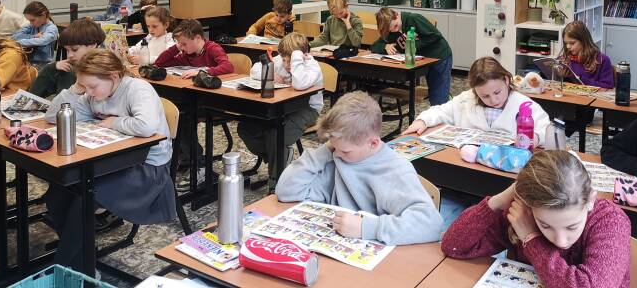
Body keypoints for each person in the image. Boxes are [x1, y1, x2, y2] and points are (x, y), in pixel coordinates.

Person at [44, 50, 176, 273]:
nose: (89, 92)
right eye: (84, 86)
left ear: (114, 76)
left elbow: (146, 126)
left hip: (147, 169)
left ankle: (64, 268)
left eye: (92, 86)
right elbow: (52, 116)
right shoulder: (93, 94)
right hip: (109, 163)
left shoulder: (137, 89)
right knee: (57, 195)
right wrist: (75, 89)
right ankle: (81, 260)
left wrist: (113, 122)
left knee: (84, 199)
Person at [442, 150, 631, 288]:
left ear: (590, 201)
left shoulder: (610, 220)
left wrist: (532, 238)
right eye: (545, 225)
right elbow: (454, 246)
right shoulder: (523, 213)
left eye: (572, 227)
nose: (560, 241)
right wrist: (499, 200)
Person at [276, 91, 443, 245]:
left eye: (344, 151)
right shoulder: (335, 156)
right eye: (333, 147)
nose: (337, 154)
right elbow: (286, 191)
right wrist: (325, 150)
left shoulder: (395, 170)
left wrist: (367, 227)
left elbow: (431, 225)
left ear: (373, 143)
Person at [238, 32, 323, 187]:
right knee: (245, 127)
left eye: (291, 60)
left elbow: (299, 84)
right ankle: (279, 156)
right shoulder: (281, 60)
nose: (287, 64)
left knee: (276, 134)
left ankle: (275, 182)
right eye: (284, 60)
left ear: (302, 56)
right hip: (280, 106)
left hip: (307, 109)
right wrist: (272, 73)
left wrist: (296, 60)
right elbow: (254, 70)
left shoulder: (312, 66)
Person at [404, 56, 550, 144]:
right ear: (475, 90)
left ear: (506, 80)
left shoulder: (523, 104)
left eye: (497, 92)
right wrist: (423, 121)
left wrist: (536, 137)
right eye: (485, 96)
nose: (493, 100)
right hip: (468, 165)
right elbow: (441, 111)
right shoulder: (467, 99)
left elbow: (546, 128)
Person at [373, 7, 453, 105]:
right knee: (435, 95)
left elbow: (435, 35)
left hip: (440, 57)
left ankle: (446, 102)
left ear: (397, 15)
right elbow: (375, 46)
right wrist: (385, 46)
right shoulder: (392, 31)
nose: (395, 30)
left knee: (438, 99)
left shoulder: (414, 19)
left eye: (396, 26)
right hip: (424, 61)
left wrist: (413, 44)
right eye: (392, 30)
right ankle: (445, 100)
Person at [30, 19, 105, 99]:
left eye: (75, 49)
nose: (70, 55)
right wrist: (51, 69)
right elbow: (32, 96)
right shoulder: (66, 69)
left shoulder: (106, 73)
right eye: (67, 50)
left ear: (92, 45)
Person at [154, 19, 233, 79]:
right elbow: (160, 63)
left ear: (197, 38)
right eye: (180, 44)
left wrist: (202, 72)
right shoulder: (186, 54)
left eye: (184, 44)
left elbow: (228, 66)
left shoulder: (213, 48)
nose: (182, 47)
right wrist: (176, 47)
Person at [558, 20, 613, 88]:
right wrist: (562, 77)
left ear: (583, 41)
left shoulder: (602, 60)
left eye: (572, 43)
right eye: (566, 43)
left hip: (591, 94)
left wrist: (580, 80)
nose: (568, 46)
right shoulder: (564, 59)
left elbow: (608, 87)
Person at [12, 1, 59, 68]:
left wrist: (18, 43)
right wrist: (33, 36)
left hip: (42, 65)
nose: (31, 23)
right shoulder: (32, 26)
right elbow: (15, 36)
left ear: (43, 15)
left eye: (32, 20)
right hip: (28, 61)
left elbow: (42, 41)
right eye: (29, 21)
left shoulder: (52, 29)